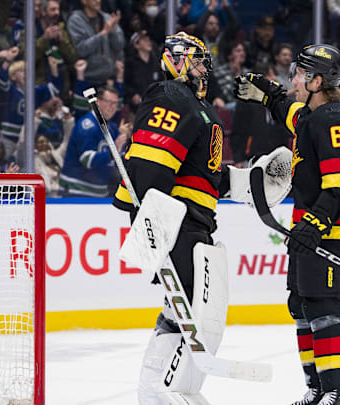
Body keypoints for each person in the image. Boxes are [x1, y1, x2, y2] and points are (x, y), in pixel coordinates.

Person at [236, 43, 340, 404]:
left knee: (323, 307)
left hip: (332, 228)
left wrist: (315, 222)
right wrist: (270, 96)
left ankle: (338, 390)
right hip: (311, 227)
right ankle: (318, 387)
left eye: (298, 74)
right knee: (302, 306)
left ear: (316, 80)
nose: (292, 79)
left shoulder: (334, 118)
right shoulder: (313, 117)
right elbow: (290, 112)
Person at [111, 32, 228, 404]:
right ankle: (155, 392)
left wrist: (244, 181)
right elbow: (150, 164)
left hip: (195, 223)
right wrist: (146, 221)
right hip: (177, 225)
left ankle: (156, 392)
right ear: (175, 59)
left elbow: (201, 171)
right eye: (194, 60)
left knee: (186, 311)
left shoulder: (196, 103)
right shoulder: (172, 95)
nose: (201, 68)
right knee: (188, 310)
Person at [59, 85, 130, 197]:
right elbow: (87, 160)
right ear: (97, 102)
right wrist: (113, 151)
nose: (112, 107)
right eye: (109, 102)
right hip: (76, 190)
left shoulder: (111, 128)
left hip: (99, 192)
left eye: (115, 103)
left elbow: (118, 158)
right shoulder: (87, 126)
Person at [67, 0, 124, 86]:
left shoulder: (107, 18)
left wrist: (112, 32)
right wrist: (103, 33)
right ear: (84, 1)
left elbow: (119, 46)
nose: (98, 1)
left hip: (108, 79)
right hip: (87, 79)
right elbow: (81, 49)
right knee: (89, 100)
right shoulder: (76, 20)